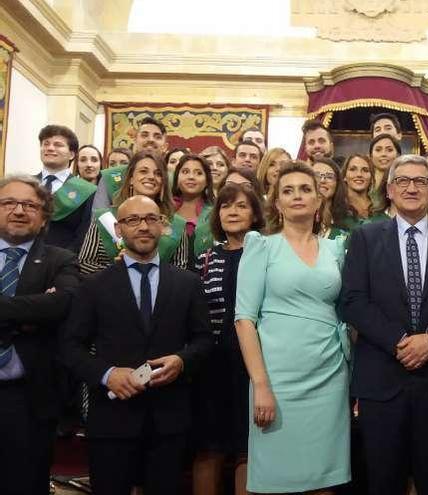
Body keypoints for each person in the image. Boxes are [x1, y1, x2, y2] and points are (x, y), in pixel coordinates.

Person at [61, 194, 212, 495]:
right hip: (112, 418)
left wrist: (183, 361)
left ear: (164, 226)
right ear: (118, 230)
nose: (143, 226)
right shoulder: (93, 286)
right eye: (133, 220)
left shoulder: (188, 283)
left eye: (151, 219)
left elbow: (204, 340)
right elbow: (70, 346)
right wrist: (106, 374)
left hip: (169, 420)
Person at [341, 155, 428, 495]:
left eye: (421, 181)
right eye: (404, 181)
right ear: (390, 189)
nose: (412, 187)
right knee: (382, 481)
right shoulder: (365, 239)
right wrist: (400, 341)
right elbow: (353, 301)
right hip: (381, 382)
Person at [235, 162, 350, 493]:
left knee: (324, 478)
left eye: (305, 189)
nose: (297, 196)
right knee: (275, 480)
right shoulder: (261, 245)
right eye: (288, 190)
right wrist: (261, 385)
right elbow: (244, 320)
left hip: (329, 374)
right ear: (276, 202)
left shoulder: (336, 249)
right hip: (276, 377)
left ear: (319, 200)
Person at [0, 176, 79, 495]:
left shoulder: (61, 259)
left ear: (44, 216)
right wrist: (28, 313)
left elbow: (61, 305)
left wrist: (44, 309)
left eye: (30, 205)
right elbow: (43, 308)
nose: (19, 210)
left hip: (30, 398)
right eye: (9, 203)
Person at [191, 183, 265, 495]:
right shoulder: (206, 258)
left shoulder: (268, 255)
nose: (232, 212)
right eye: (225, 206)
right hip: (212, 365)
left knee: (248, 448)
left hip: (255, 365)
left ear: (255, 214)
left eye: (241, 206)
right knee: (208, 447)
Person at [79, 150, 189, 275]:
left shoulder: (176, 224)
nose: (151, 177)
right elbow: (85, 263)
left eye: (158, 173)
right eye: (143, 171)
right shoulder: (105, 218)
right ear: (131, 178)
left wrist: (152, 272)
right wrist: (118, 271)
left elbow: (181, 270)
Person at [36, 125, 97, 253]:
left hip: (62, 261)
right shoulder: (26, 184)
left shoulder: (87, 191)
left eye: (58, 145)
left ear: (71, 154)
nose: (50, 148)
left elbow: (84, 235)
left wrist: (64, 261)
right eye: (46, 144)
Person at [93, 117, 168, 211]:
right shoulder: (110, 176)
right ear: (135, 141)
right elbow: (100, 215)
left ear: (165, 146)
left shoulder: (173, 178)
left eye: (157, 137)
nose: (151, 139)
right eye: (144, 135)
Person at [172, 154, 215, 260]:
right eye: (185, 172)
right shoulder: (165, 210)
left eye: (198, 173)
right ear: (177, 177)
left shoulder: (215, 213)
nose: (191, 177)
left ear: (207, 181)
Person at [312, 157, 353, 239]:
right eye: (316, 176)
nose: (322, 180)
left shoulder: (350, 222)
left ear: (337, 183)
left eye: (329, 177)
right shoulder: (297, 219)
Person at [341, 154, 376, 223]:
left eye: (365, 170)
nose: (359, 174)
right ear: (344, 176)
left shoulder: (380, 208)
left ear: (372, 178)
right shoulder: (336, 208)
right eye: (353, 169)